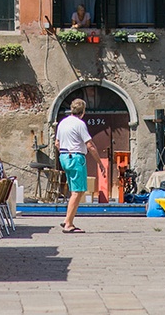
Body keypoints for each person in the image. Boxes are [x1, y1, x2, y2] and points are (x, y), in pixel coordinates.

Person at [55, 97, 91, 234]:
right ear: (83, 112)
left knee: (73, 191)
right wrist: (99, 163)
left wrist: (65, 154)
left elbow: (57, 143)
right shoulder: (80, 124)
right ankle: (69, 224)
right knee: (78, 191)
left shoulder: (62, 123)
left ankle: (66, 219)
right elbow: (90, 144)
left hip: (64, 156)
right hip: (76, 157)